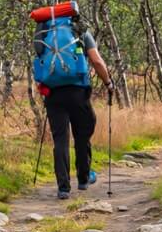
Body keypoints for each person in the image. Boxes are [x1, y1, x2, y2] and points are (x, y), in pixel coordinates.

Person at [38, 15, 115, 199]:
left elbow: (40, 65)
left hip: (53, 93)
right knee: (82, 134)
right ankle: (84, 178)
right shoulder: (80, 32)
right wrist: (108, 83)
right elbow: (96, 61)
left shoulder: (44, 34)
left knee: (60, 140)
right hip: (78, 92)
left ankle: (63, 188)